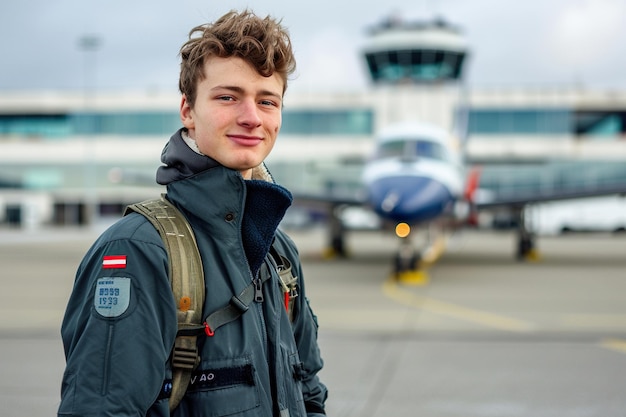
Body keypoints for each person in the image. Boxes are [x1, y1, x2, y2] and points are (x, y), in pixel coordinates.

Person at [58, 9, 328, 417]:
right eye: (227, 97)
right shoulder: (138, 250)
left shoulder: (280, 254)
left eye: (267, 101)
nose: (252, 117)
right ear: (187, 110)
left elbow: (308, 393)